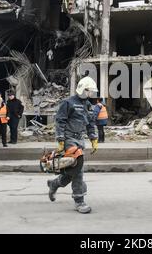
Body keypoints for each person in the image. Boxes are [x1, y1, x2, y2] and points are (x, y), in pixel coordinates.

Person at [47, 76, 99, 214]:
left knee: (72, 171)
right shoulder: (68, 103)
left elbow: (90, 122)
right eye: (89, 91)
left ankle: (54, 183)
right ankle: (79, 201)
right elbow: (60, 121)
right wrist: (60, 139)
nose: (91, 94)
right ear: (83, 89)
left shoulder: (87, 104)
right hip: (69, 139)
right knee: (78, 170)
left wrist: (93, 138)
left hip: (80, 140)